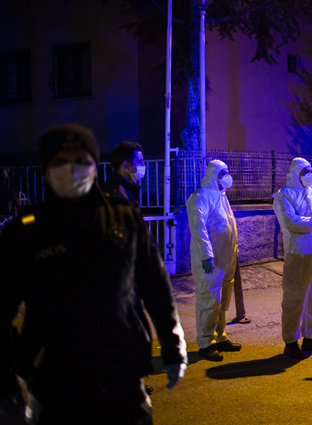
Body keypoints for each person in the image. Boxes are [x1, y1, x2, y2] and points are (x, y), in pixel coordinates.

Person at [0, 124, 186, 425]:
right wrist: (7, 385)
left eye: (81, 160)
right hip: (55, 387)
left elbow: (156, 288)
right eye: (61, 161)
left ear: (94, 165)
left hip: (124, 381)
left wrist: (172, 347)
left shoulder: (124, 217)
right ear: (46, 169)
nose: (72, 169)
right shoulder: (26, 231)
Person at [273, 157, 312, 360]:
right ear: (295, 173)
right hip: (299, 252)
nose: (310, 174)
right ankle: (290, 341)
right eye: (305, 171)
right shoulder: (283, 195)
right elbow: (290, 221)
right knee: (295, 296)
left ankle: (311, 337)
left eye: (310, 170)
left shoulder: (311, 190)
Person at [186, 160, 242, 362]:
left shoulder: (221, 196)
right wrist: (206, 255)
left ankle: (220, 336)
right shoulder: (200, 197)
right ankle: (205, 342)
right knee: (209, 301)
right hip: (210, 261)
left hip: (226, 259)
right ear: (213, 175)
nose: (227, 176)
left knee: (222, 302)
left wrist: (234, 254)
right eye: (223, 173)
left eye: (227, 172)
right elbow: (199, 228)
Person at [102, 141, 146, 206]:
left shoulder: (125, 189)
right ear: (125, 165)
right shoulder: (116, 194)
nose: (143, 165)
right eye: (140, 161)